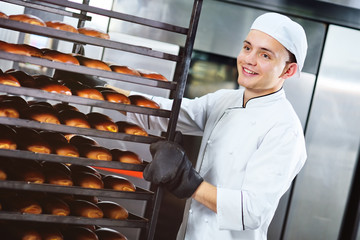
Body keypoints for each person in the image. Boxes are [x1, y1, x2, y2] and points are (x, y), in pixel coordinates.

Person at [114, 12, 308, 240]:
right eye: (247, 48)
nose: (249, 60)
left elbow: (251, 211)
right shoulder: (224, 100)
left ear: (288, 70)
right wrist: (103, 90)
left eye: (265, 55)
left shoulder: (285, 129)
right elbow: (163, 113)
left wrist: (187, 180)